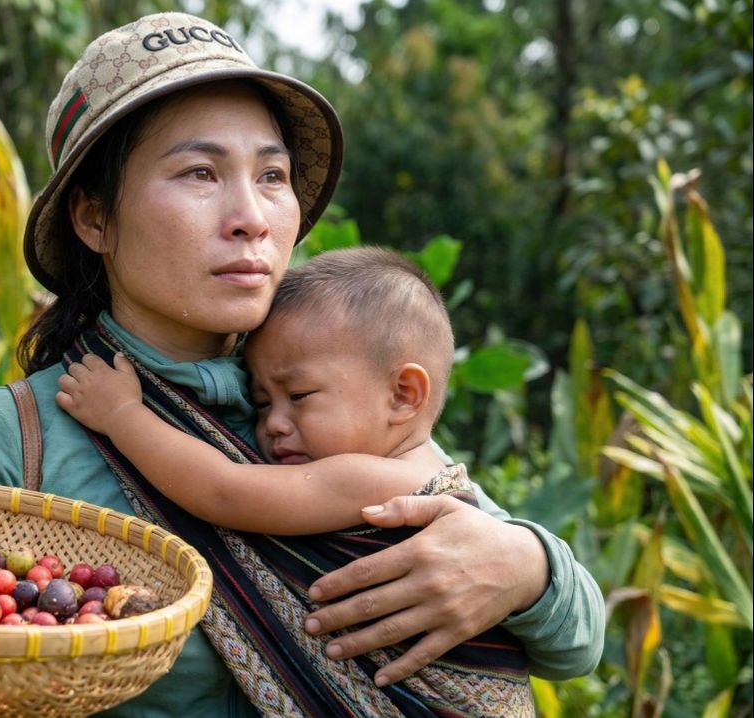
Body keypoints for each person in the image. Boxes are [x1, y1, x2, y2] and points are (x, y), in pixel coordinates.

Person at [0, 11, 605, 717]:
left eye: (272, 176)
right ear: (94, 217)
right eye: (200, 173)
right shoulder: (7, 443)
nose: (251, 217)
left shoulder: (321, 402)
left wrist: (523, 564)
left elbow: (574, 642)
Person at [56, 246, 542, 713]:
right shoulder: (427, 475)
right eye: (264, 401)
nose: (274, 424)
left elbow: (224, 490)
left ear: (403, 395)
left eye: (301, 395)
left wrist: (122, 414)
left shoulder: (377, 481)